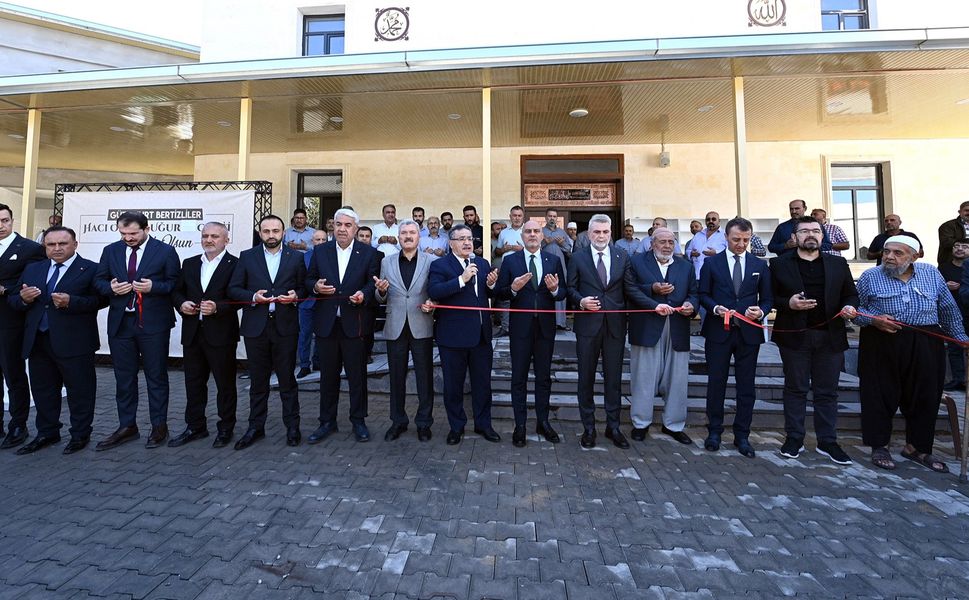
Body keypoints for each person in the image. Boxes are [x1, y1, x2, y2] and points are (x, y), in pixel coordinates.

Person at [855, 236, 967, 473]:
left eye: (898, 253)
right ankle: (879, 445)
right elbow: (855, 310)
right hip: (882, 339)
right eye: (887, 252)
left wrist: (962, 339)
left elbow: (947, 309)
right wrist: (873, 320)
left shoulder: (931, 274)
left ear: (914, 256)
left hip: (926, 340)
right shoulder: (870, 277)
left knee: (925, 394)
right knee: (879, 393)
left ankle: (917, 448)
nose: (890, 257)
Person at [770, 216, 859, 464]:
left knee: (827, 392)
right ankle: (794, 438)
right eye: (805, 231)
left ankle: (828, 442)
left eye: (816, 231)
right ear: (794, 237)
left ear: (823, 236)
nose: (811, 234)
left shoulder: (838, 264)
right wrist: (788, 303)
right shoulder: (779, 265)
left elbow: (851, 294)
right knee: (795, 388)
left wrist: (850, 307)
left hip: (830, 336)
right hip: (794, 336)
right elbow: (768, 298)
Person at [8, 226, 103, 455]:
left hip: (75, 342)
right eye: (51, 244)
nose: (57, 249)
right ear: (45, 246)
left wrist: (72, 301)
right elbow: (13, 300)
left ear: (75, 244)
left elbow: (101, 300)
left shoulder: (91, 269)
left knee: (80, 391)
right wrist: (22, 298)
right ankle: (47, 432)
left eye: (63, 244)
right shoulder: (33, 268)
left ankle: (80, 434)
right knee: (43, 391)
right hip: (38, 340)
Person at [94, 211, 180, 451]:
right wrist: (110, 288)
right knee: (124, 377)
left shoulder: (165, 251)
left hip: (153, 324)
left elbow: (175, 283)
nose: (128, 238)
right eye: (123, 233)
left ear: (146, 228)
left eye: (133, 233)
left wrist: (155, 287)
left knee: (156, 376)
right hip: (121, 324)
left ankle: (159, 426)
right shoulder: (111, 250)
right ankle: (127, 426)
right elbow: (98, 281)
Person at [567, 214, 647, 449]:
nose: (601, 236)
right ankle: (588, 428)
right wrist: (581, 302)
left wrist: (654, 304)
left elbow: (629, 289)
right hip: (587, 327)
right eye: (596, 232)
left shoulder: (623, 256)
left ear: (611, 233)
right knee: (586, 379)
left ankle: (613, 427)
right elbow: (570, 288)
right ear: (588, 234)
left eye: (605, 232)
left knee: (613, 380)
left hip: (615, 326)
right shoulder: (578, 257)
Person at [228, 214, 306, 450]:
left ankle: (292, 427)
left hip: (285, 327)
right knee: (258, 381)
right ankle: (255, 427)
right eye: (266, 231)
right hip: (256, 327)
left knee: (287, 381)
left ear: (283, 232)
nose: (271, 235)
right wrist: (253, 297)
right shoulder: (247, 257)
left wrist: (295, 296)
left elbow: (303, 287)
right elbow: (233, 288)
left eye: (276, 231)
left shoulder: (296, 258)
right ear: (260, 233)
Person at [698, 217, 772, 458]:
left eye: (746, 240)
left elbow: (768, 299)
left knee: (746, 387)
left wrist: (760, 311)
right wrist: (715, 308)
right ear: (726, 238)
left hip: (749, 333)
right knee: (716, 383)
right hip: (719, 332)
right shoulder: (712, 263)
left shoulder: (759, 266)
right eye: (736, 239)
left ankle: (742, 435)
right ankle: (714, 431)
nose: (741, 244)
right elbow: (703, 294)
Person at [306, 208, 381, 444]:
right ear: (333, 226)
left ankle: (358, 420)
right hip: (327, 324)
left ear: (355, 229)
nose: (342, 229)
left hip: (355, 324)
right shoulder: (320, 251)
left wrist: (363, 294)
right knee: (328, 376)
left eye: (348, 225)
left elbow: (372, 284)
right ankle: (326, 422)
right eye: (338, 224)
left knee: (357, 376)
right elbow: (308, 280)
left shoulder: (370, 254)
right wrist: (316, 287)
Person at [170, 222, 242, 449]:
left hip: (221, 334)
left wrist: (218, 307)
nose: (209, 240)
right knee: (193, 383)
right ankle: (195, 426)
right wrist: (182, 304)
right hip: (193, 333)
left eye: (214, 236)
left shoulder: (236, 265)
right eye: (205, 236)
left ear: (226, 240)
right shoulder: (190, 263)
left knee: (225, 384)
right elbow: (176, 291)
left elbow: (239, 297)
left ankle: (226, 428)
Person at [496, 219, 567, 447]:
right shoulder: (511, 261)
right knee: (519, 377)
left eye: (537, 231)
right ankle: (520, 425)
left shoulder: (553, 260)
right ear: (522, 236)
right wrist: (513, 289)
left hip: (546, 327)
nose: (533, 235)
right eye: (528, 231)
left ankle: (543, 422)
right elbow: (500, 293)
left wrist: (555, 289)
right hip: (520, 329)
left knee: (544, 377)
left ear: (542, 235)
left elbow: (562, 292)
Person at [428, 223, 500, 445]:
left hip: (481, 336)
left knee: (482, 384)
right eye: (462, 239)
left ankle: (483, 424)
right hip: (453, 337)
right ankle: (456, 427)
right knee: (453, 386)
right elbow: (435, 291)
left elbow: (488, 294)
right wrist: (462, 279)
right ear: (451, 243)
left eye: (470, 238)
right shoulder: (440, 265)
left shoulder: (482, 263)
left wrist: (492, 284)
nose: (468, 242)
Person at [626, 227, 697, 446]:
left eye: (671, 242)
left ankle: (673, 424)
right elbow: (630, 289)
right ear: (651, 243)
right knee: (644, 377)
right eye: (662, 242)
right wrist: (653, 293)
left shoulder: (685, 266)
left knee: (677, 379)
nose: (667, 246)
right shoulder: (637, 262)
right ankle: (641, 423)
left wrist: (690, 305)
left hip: (677, 327)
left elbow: (694, 292)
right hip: (647, 325)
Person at [374, 220, 435, 442]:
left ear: (419, 237)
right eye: (404, 233)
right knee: (396, 377)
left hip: (422, 324)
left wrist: (433, 301)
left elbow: (435, 290)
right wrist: (380, 292)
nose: (408, 236)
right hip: (395, 325)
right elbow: (381, 295)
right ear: (398, 237)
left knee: (424, 378)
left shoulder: (431, 261)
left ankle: (424, 423)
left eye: (412, 232)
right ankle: (397, 421)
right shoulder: (386, 262)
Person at [0, 203, 45, 449]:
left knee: (13, 374)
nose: (0, 226)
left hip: (11, 321)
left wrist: (6, 289)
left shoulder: (31, 249)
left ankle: (18, 425)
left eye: (4, 220)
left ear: (12, 220)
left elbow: (37, 282)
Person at [297, 229, 328, 379]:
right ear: (312, 241)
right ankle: (304, 365)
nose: (320, 243)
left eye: (323, 240)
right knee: (305, 335)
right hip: (307, 303)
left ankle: (317, 361)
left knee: (322, 334)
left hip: (325, 303)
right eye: (318, 240)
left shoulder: (331, 256)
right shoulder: (303, 258)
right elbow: (301, 280)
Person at [939, 239, 969, 391]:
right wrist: (946, 286)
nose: (960, 249)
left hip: (967, 309)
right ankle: (958, 379)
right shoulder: (944, 267)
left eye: (964, 247)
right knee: (954, 346)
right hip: (953, 311)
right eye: (957, 246)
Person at [768, 199, 833, 257]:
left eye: (797, 209)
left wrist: (810, 245)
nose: (793, 211)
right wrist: (786, 246)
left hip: (812, 263)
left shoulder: (816, 226)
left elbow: (828, 245)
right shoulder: (782, 227)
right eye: (791, 209)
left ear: (805, 208)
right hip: (788, 265)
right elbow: (771, 247)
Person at [541, 208, 571, 329]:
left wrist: (562, 243)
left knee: (560, 289)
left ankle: (561, 322)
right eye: (550, 216)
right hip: (544, 264)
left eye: (554, 216)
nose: (552, 218)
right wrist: (544, 242)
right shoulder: (540, 231)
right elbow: (533, 247)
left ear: (557, 218)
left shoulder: (562, 232)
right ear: (546, 217)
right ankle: (546, 321)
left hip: (560, 265)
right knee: (544, 290)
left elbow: (569, 249)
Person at [688, 212, 727, 280]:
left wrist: (716, 253)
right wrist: (691, 253)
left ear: (719, 221)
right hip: (698, 276)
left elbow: (730, 252)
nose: (710, 221)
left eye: (713, 219)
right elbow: (688, 250)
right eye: (708, 219)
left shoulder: (725, 235)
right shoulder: (698, 235)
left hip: (716, 276)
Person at [937, 201, 969, 265]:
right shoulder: (947, 226)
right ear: (959, 212)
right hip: (952, 264)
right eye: (966, 210)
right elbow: (946, 242)